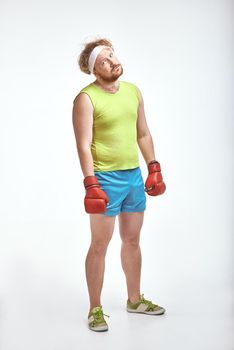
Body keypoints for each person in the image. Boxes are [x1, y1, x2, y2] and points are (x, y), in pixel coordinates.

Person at [72, 37, 166, 332]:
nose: (113, 61)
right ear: (94, 70)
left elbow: (143, 133)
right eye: (104, 60)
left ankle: (134, 300)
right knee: (100, 244)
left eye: (112, 55)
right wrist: (90, 183)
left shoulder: (133, 92)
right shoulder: (86, 98)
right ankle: (95, 309)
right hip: (105, 180)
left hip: (133, 178)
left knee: (133, 240)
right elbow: (84, 145)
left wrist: (153, 166)